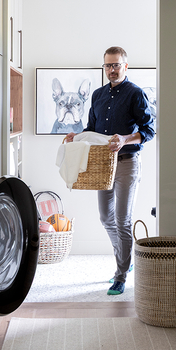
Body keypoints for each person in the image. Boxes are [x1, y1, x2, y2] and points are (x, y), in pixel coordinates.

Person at [64, 46, 155, 296]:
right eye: (107, 65)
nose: (111, 70)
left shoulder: (136, 94)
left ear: (125, 66)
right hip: (103, 165)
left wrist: (125, 139)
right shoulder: (97, 95)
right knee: (106, 217)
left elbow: (149, 131)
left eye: (116, 65)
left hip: (127, 162)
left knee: (123, 220)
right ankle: (126, 256)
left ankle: (121, 274)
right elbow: (92, 128)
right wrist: (77, 136)